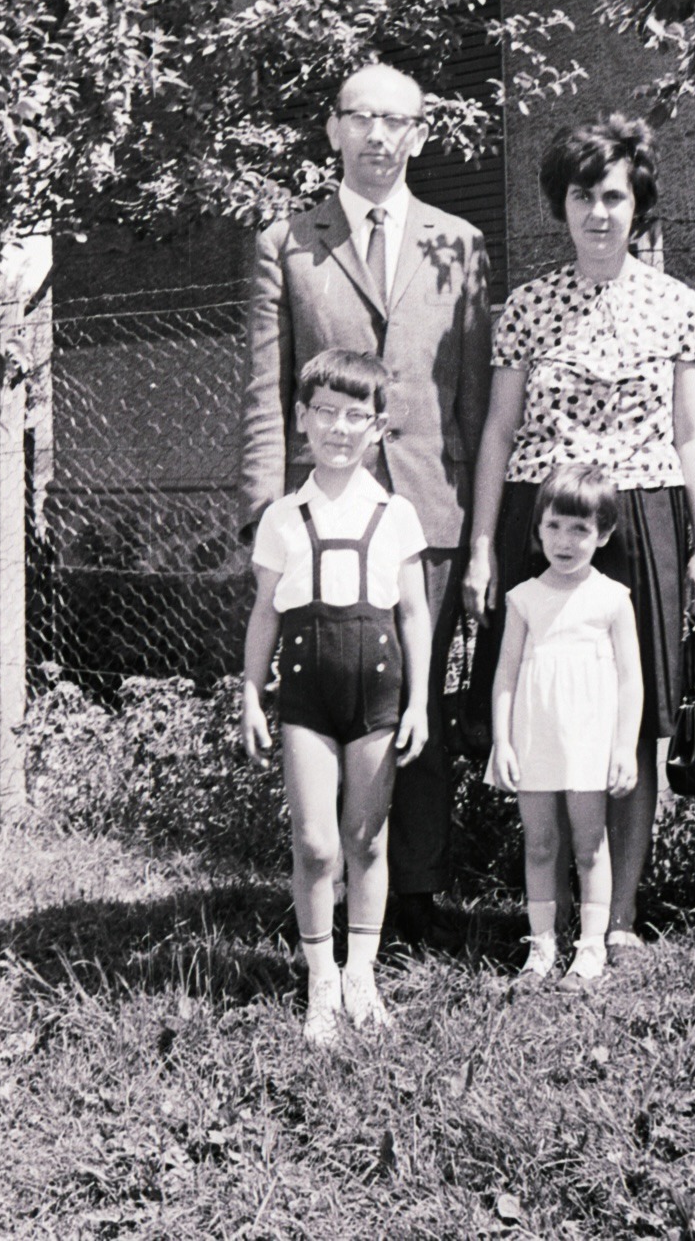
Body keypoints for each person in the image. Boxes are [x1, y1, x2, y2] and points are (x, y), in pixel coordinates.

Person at [240, 62, 491, 947]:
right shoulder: (287, 243)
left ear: (420, 134)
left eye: (398, 121)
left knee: (416, 700)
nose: (379, 137)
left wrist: (480, 529)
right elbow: (268, 394)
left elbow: (471, 400)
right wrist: (259, 522)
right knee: (324, 695)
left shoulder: (457, 242)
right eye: (362, 119)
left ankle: (412, 893)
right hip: (317, 522)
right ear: (334, 130)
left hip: (428, 512)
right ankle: (326, 888)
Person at [463, 113, 695, 966]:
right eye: (582, 196)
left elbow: (691, 435)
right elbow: (497, 433)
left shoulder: (677, 305)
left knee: (632, 715)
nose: (598, 212)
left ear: (637, 204)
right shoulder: (529, 306)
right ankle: (549, 914)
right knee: (541, 700)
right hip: (543, 518)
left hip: (644, 516)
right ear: (561, 206)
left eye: (613, 195)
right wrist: (479, 546)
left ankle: (616, 914)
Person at [241, 349, 431, 1045]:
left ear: (378, 427)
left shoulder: (396, 513)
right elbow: (265, 611)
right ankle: (320, 980)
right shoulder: (283, 517)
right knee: (317, 843)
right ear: (301, 419)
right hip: (307, 698)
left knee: (365, 838)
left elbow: (413, 612)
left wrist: (417, 704)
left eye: (357, 416)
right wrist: (249, 693)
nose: (340, 428)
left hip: (377, 693)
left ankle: (361, 974)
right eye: (325, 412)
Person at [486, 465, 643, 987]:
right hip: (536, 738)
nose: (565, 540)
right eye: (554, 526)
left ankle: (591, 949)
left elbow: (630, 681)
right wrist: (503, 741)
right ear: (538, 530)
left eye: (580, 529)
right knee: (539, 843)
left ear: (604, 534)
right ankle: (541, 948)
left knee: (588, 842)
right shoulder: (524, 598)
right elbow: (505, 675)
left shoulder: (612, 599)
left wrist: (623, 748)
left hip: (588, 741)